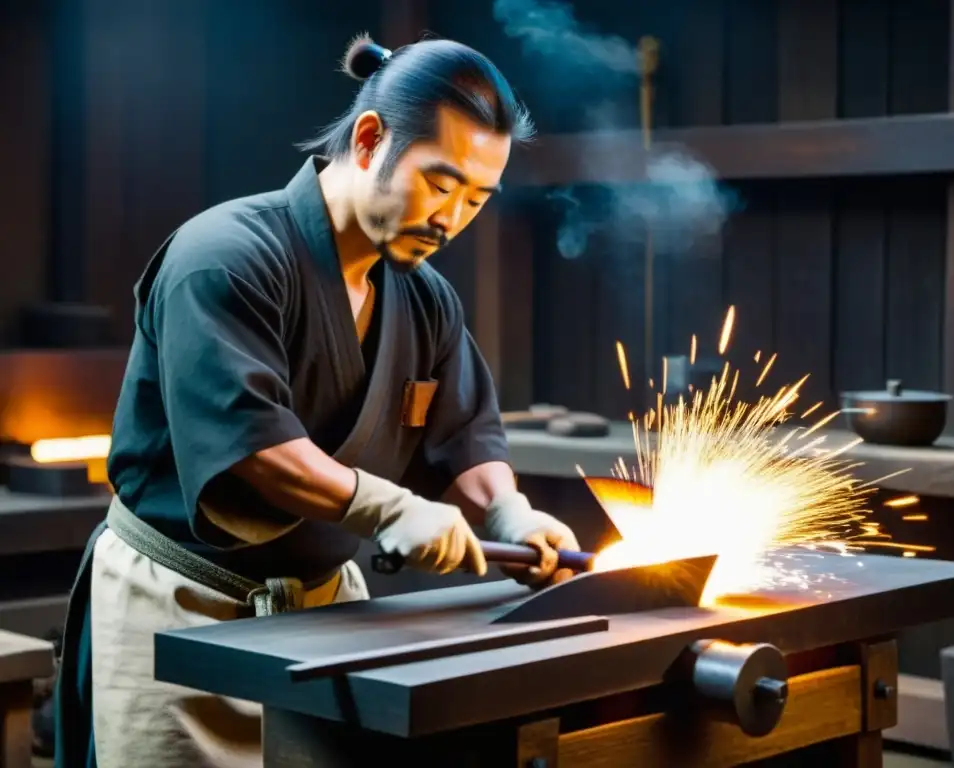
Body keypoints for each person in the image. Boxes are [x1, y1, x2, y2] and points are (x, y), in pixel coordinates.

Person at [53, 33, 580, 768]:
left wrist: (507, 513)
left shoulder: (426, 299)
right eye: (440, 182)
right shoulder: (223, 256)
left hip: (327, 614)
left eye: (475, 199)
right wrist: (390, 508)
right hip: (181, 613)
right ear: (370, 140)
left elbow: (465, 442)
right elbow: (256, 450)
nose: (451, 218)